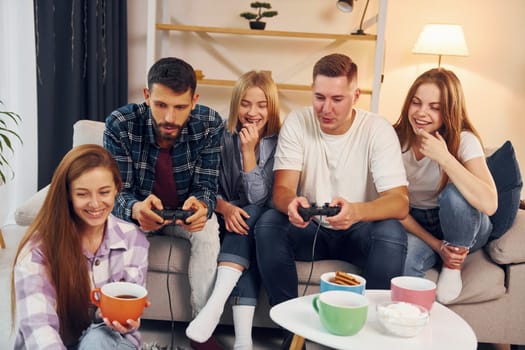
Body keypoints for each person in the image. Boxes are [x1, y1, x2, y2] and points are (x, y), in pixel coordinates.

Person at [253, 53, 409, 346]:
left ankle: (367, 339)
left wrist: (357, 211)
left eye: (337, 99)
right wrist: (292, 204)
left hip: (359, 230)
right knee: (268, 224)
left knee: (391, 232)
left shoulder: (377, 129)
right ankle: (291, 333)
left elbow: (399, 202)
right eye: (319, 97)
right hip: (311, 229)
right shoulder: (299, 122)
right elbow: (282, 190)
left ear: (356, 96)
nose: (326, 109)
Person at [103, 57, 224, 350]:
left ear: (194, 100)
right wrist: (135, 209)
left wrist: (202, 205)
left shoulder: (210, 124)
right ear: (147, 96)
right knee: (116, 231)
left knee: (209, 231)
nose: (169, 117)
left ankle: (201, 330)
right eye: (160, 105)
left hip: (184, 215)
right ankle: (119, 327)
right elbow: (116, 192)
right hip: (139, 214)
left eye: (180, 107)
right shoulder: (120, 124)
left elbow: (207, 186)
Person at [11, 144, 150, 349]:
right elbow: (39, 328)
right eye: (82, 194)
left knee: (100, 338)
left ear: (117, 189)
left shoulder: (133, 239)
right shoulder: (37, 252)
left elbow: (125, 327)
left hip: (106, 341)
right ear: (68, 194)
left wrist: (124, 321)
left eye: (104, 192)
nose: (95, 204)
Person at [186, 71, 281, 350]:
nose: (252, 112)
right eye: (245, 104)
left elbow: (261, 199)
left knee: (252, 214)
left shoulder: (281, 141)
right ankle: (243, 342)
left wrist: (249, 152)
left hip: (260, 219)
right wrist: (225, 207)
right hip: (225, 214)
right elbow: (202, 185)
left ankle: (215, 310)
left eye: (261, 105)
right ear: (235, 105)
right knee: (244, 224)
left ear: (271, 107)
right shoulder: (220, 137)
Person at [393, 68, 497, 304]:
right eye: (416, 103)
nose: (421, 113)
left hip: (465, 223)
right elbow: (391, 204)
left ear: (449, 110)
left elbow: (489, 204)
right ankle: (408, 321)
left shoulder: (464, 140)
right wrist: (438, 246)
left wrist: (445, 158)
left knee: (455, 195)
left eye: (434, 107)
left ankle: (453, 266)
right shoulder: (394, 139)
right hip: (417, 223)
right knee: (406, 258)